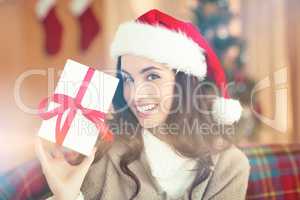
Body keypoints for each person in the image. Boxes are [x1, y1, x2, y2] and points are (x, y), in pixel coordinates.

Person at [36, 9, 250, 200]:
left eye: (152, 77)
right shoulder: (102, 150)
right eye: (128, 79)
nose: (135, 94)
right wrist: (66, 195)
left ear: (183, 82)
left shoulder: (229, 165)